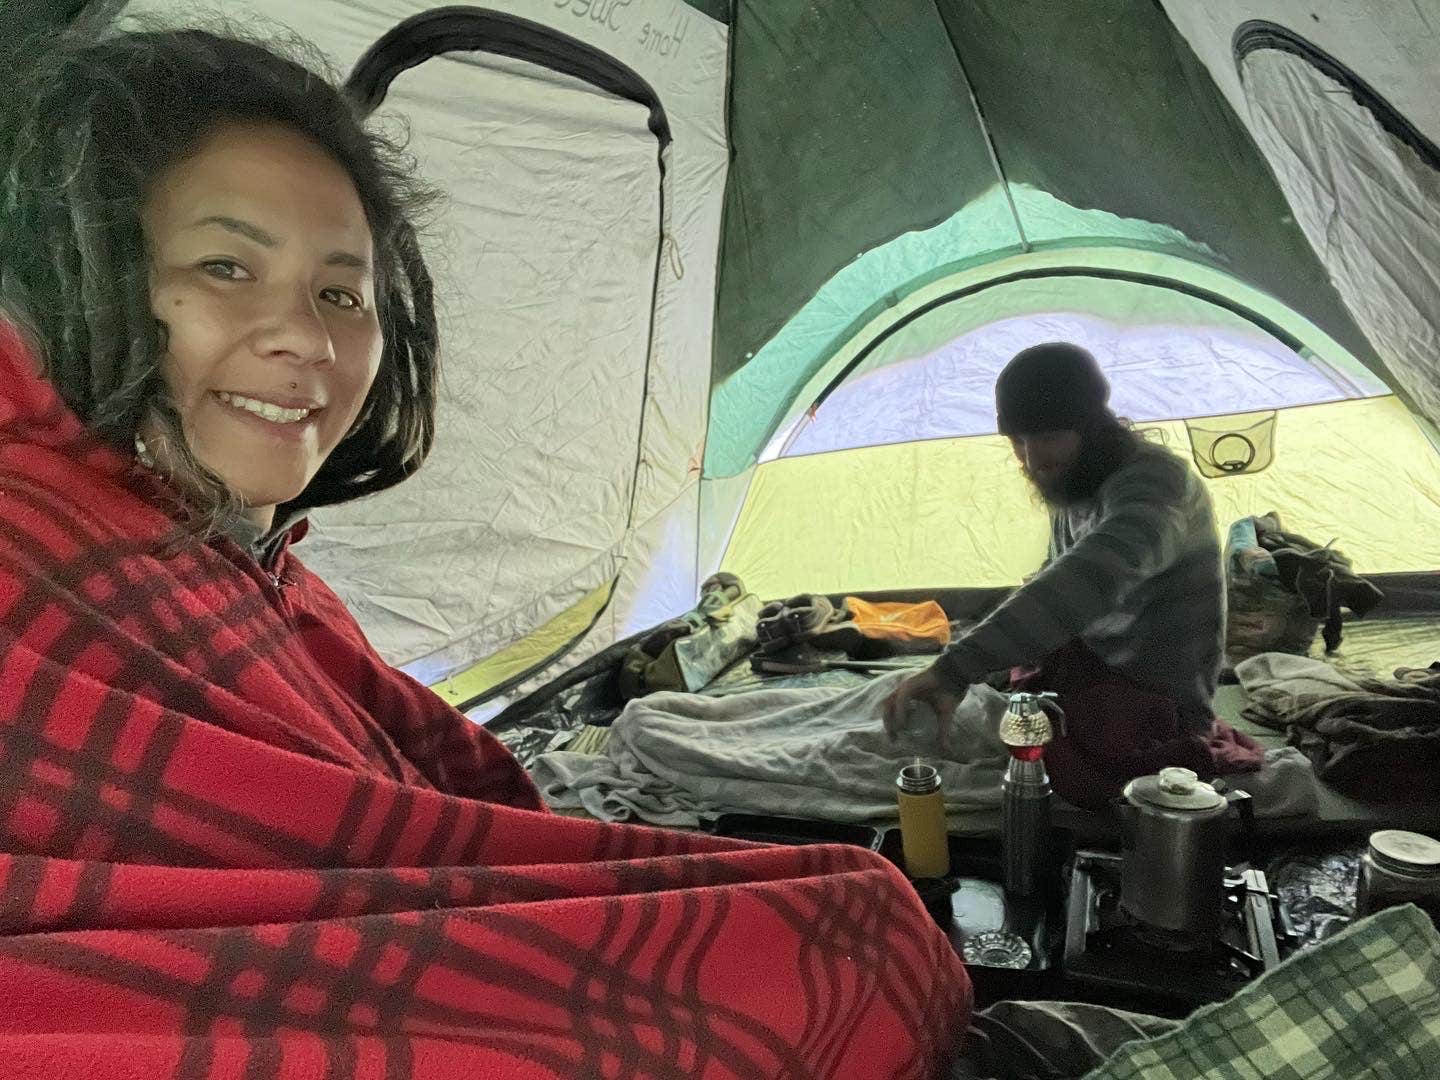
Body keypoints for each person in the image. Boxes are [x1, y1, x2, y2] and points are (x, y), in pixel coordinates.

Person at [0, 14, 967, 1077]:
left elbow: (407, 851)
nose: (308, 340)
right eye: (228, 267)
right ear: (88, 273)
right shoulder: (39, 550)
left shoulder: (258, 575)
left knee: (850, 912)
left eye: (341, 293)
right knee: (856, 932)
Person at [884, 342, 1262, 807]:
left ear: (1091, 426)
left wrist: (957, 667)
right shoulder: (1076, 481)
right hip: (1094, 668)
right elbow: (1051, 576)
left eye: (1047, 436)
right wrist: (984, 659)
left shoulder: (1158, 488)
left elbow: (1087, 581)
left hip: (1157, 700)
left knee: (1052, 753)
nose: (1031, 458)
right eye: (1016, 441)